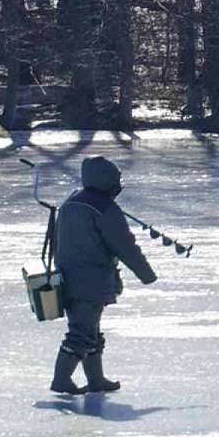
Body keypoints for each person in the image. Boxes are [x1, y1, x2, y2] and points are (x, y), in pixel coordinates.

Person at [49, 156, 157, 394]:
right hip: (91, 279)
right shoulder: (104, 208)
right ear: (107, 181)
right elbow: (124, 245)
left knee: (91, 330)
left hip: (68, 275)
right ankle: (61, 380)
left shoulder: (73, 202)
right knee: (82, 332)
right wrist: (146, 274)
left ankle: (96, 380)